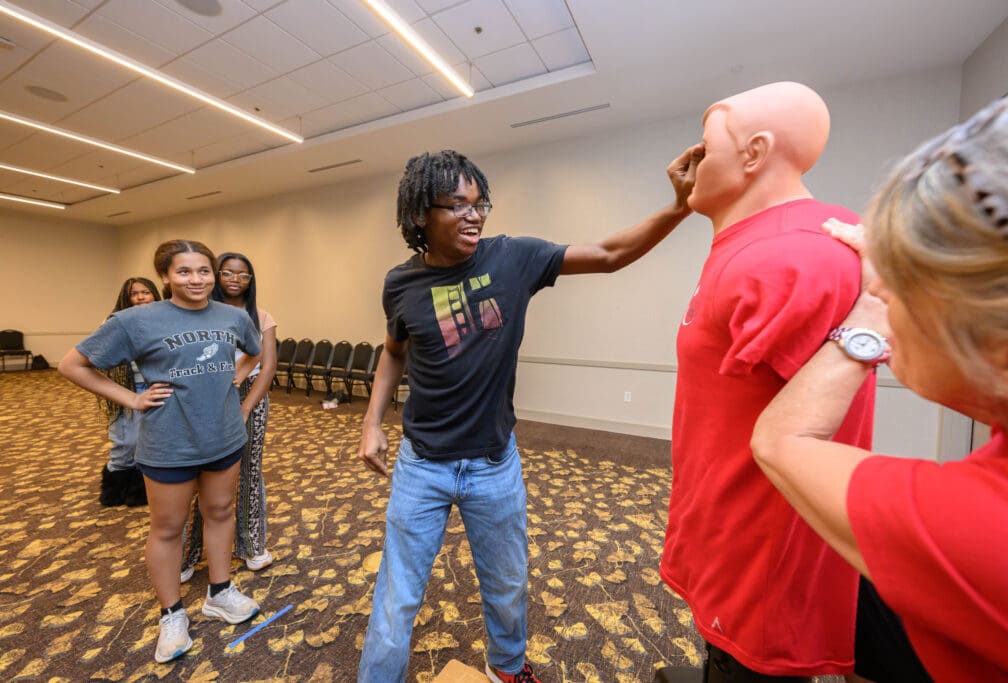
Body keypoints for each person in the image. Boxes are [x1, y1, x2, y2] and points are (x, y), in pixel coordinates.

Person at [356, 147, 700, 683]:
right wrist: (372, 422)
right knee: (396, 598)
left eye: (480, 203)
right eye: (457, 205)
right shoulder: (400, 284)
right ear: (421, 214)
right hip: (420, 464)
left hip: (494, 463)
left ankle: (507, 669)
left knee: (507, 584)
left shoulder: (513, 258)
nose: (475, 215)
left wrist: (678, 208)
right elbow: (393, 350)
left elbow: (610, 254)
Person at [751, 88, 1008, 683]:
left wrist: (865, 323)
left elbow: (778, 439)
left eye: (904, 281)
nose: (877, 290)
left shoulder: (991, 535)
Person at [660, 82, 877, 681]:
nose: (689, 165)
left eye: (706, 148)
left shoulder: (793, 256)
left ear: (754, 154)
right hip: (723, 522)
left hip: (760, 556)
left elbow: (815, 440)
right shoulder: (755, 243)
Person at [58, 239, 263, 664]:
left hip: (224, 436)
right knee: (167, 528)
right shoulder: (136, 320)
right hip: (169, 441)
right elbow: (72, 365)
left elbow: (253, 355)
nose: (197, 279)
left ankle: (220, 592)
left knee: (221, 512)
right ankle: (171, 614)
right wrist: (131, 399)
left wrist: (232, 383)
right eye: (184, 271)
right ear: (166, 276)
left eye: (204, 271)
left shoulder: (233, 316)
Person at [181, 252, 278, 581]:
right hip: (207, 396)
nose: (236, 279)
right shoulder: (198, 314)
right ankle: (187, 555)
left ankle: (251, 545)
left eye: (244, 275)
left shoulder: (261, 316)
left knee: (250, 470)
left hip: (249, 396)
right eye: (228, 273)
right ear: (216, 276)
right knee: (201, 477)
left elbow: (267, 366)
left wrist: (247, 405)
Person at [97, 277, 161, 507]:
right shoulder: (115, 323)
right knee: (125, 442)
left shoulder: (165, 319)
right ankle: (115, 486)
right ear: (127, 298)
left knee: (152, 442)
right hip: (128, 390)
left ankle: (141, 489)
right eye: (135, 293)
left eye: (146, 292)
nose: (141, 297)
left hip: (157, 389)